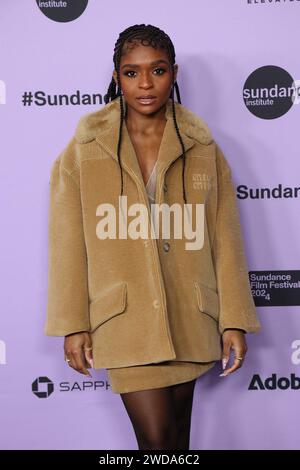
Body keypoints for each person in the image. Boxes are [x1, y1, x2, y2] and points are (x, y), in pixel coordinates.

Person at [45, 24, 261, 450]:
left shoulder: (202, 147)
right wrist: (73, 324)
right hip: (124, 325)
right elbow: (67, 244)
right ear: (116, 75)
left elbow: (225, 238)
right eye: (131, 72)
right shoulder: (84, 149)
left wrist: (234, 318)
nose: (145, 84)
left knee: (176, 449)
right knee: (158, 447)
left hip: (191, 320)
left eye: (157, 70)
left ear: (174, 73)